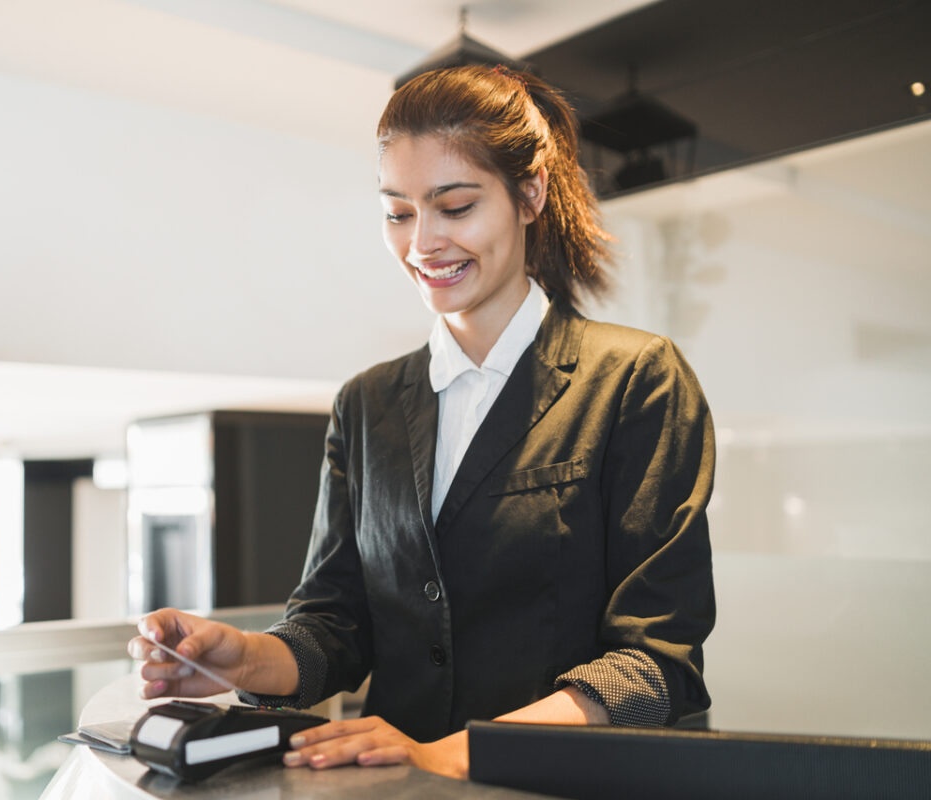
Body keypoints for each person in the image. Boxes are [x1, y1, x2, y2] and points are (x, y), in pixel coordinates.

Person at [129, 64, 715, 780]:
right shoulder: (367, 403)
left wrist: (447, 755)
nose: (422, 244)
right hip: (394, 788)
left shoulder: (634, 380)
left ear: (529, 195)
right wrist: (244, 656)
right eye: (398, 213)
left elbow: (654, 667)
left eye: (455, 206)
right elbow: (335, 625)